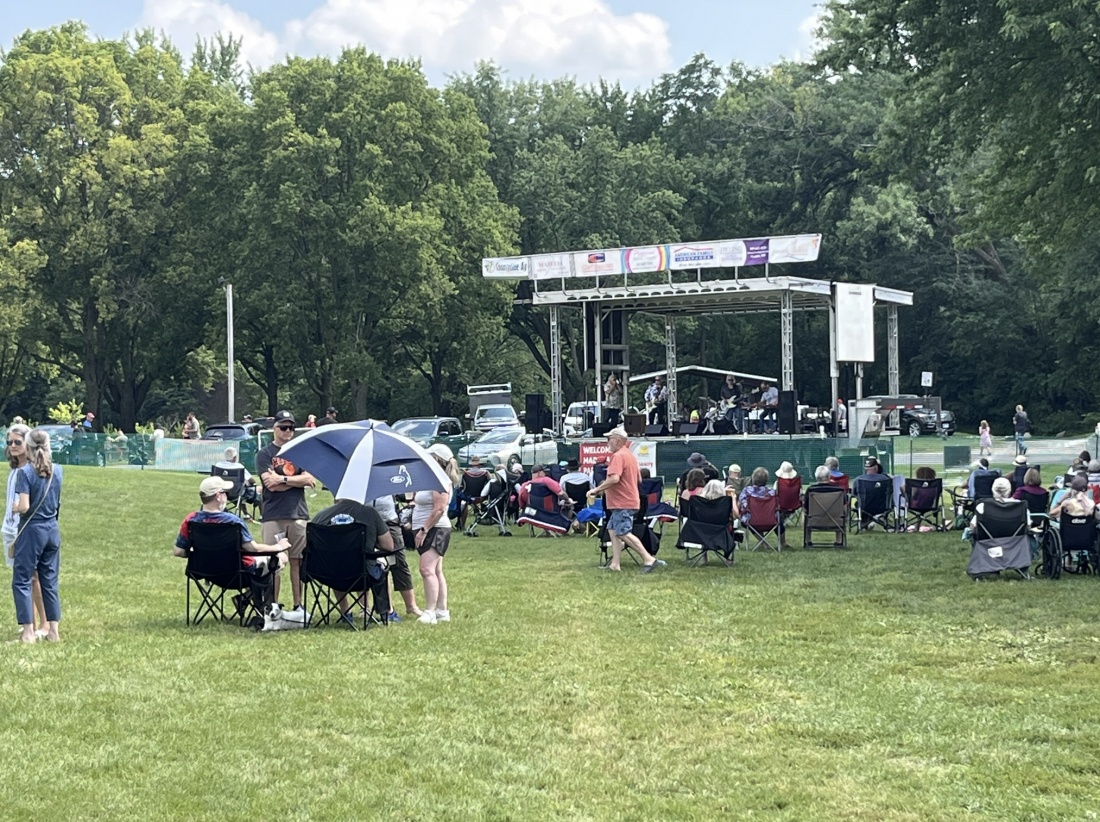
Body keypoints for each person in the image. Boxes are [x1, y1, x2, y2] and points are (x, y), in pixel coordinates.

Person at [175, 476, 290, 625]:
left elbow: (179, 551)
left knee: (266, 563)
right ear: (218, 496)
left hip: (205, 571)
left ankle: (245, 599)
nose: (226, 496)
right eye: (225, 493)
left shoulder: (191, 520)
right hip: (237, 573)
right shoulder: (232, 521)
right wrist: (278, 547)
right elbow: (251, 548)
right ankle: (261, 607)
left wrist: (200, 554)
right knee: (280, 560)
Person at [256, 410, 316, 618]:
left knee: (297, 561)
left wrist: (283, 480)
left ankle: (299, 605)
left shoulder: (299, 453)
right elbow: (268, 484)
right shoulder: (265, 454)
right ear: (275, 429)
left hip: (298, 513)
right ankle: (272, 605)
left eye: (291, 427)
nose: (288, 431)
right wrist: (295, 481)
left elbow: (309, 479)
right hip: (273, 515)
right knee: (274, 560)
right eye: (283, 427)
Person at [10, 429, 62, 643]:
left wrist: (15, 508)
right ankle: (53, 632)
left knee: (22, 580)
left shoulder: (25, 473)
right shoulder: (58, 470)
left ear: (28, 447)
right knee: (49, 581)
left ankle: (29, 633)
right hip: (52, 529)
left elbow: (25, 506)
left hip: (32, 531)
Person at [586, 427, 662, 573]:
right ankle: (615, 564)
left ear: (618, 440)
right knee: (612, 530)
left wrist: (597, 489)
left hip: (622, 502)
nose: (607, 441)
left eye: (609, 438)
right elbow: (639, 478)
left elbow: (614, 478)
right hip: (628, 500)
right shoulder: (630, 455)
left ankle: (648, 559)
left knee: (622, 532)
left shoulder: (618, 456)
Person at [311, 495, 396, 624]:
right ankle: (388, 612)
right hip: (363, 574)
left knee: (336, 561)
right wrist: (371, 542)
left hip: (328, 574)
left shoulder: (321, 516)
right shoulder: (370, 513)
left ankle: (345, 612)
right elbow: (389, 546)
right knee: (382, 563)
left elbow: (310, 545)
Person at [4, 424, 47, 638]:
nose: (12, 445)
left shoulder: (31, 471)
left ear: (27, 443)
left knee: (34, 577)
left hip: (26, 530)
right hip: (10, 529)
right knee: (24, 577)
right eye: (9, 442)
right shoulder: (14, 469)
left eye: (17, 442)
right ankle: (29, 622)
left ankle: (44, 624)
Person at [412, 443, 460, 624]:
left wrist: (424, 530)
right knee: (436, 570)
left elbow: (439, 508)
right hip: (429, 527)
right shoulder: (430, 479)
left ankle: (430, 611)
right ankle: (442, 610)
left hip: (436, 529)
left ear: (437, 460)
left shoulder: (439, 480)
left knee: (426, 569)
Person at [366, 494, 422, 619]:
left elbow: (405, 491)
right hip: (366, 523)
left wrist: (410, 499)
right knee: (366, 562)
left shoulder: (388, 475)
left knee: (399, 562)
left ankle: (411, 606)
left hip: (389, 521)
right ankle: (365, 608)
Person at [739, 467, 786, 547]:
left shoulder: (747, 491)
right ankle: (783, 542)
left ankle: (763, 542)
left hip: (752, 521)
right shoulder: (772, 493)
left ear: (753, 478)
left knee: (749, 518)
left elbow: (741, 503)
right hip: (771, 521)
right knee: (778, 520)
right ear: (767, 479)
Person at [805, 465, 845, 545]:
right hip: (836, 522)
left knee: (805, 514)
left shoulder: (811, 490)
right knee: (842, 512)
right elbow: (844, 507)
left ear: (816, 477)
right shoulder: (839, 490)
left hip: (814, 522)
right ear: (829, 476)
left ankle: (808, 540)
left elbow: (805, 509)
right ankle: (839, 540)